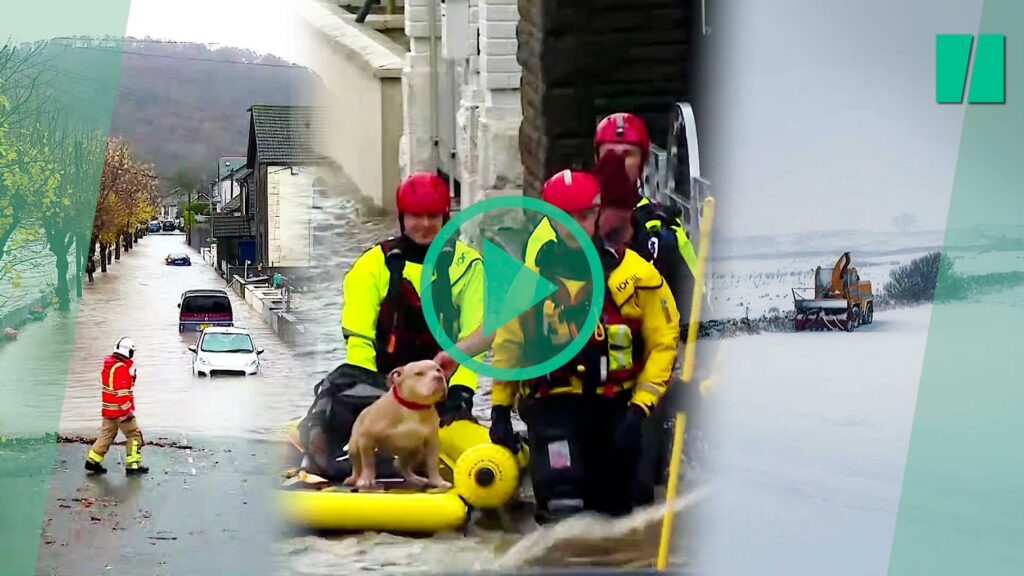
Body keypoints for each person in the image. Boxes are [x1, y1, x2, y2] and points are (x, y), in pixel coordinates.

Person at [489, 163, 681, 523]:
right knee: (564, 503)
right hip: (553, 407)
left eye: (583, 215)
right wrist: (499, 410)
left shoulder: (636, 276)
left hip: (618, 409)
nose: (573, 225)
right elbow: (508, 348)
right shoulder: (527, 283)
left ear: (597, 215)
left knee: (624, 508)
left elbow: (663, 345)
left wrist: (640, 409)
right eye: (563, 217)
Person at [298, 172, 485, 481]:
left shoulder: (468, 265)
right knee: (339, 386)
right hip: (384, 386)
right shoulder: (372, 265)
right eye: (415, 216)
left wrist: (461, 392)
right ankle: (322, 449)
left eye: (432, 216)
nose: (424, 225)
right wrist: (376, 400)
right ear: (402, 217)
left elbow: (472, 338)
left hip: (438, 388)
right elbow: (359, 340)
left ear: (445, 217)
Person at [85, 337, 148, 475]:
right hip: (121, 412)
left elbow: (114, 387)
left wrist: (131, 379)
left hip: (109, 410)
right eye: (132, 351)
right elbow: (122, 393)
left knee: (106, 436)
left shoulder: (110, 365)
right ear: (127, 351)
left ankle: (92, 461)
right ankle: (133, 465)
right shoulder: (121, 368)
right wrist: (127, 412)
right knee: (134, 436)